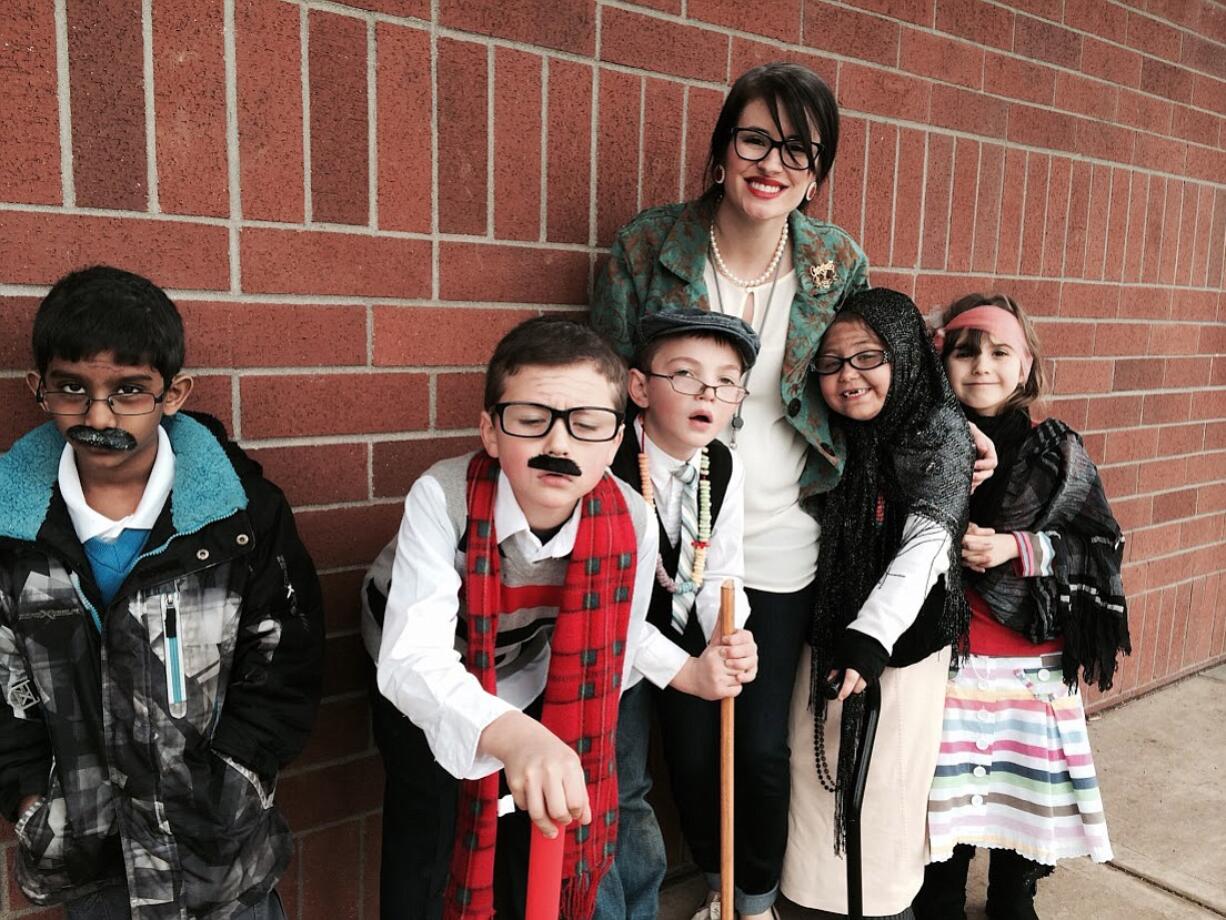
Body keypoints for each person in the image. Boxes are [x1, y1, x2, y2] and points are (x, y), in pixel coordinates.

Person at [592, 60, 868, 920]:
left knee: (753, 745)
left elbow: (872, 379)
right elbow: (602, 383)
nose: (773, 162)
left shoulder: (834, 264)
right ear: (721, 148)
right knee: (686, 741)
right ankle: (717, 884)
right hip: (668, 538)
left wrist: (948, 431)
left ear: (816, 174)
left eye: (799, 149)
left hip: (781, 540)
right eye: (755, 137)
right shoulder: (650, 247)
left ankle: (752, 900)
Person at [366, 317, 754, 920]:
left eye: (587, 425)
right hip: (429, 683)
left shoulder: (629, 518)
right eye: (530, 420)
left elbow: (620, 633)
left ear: (615, 438)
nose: (559, 445)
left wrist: (690, 674)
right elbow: (411, 657)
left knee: (533, 841)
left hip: (534, 674)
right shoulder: (441, 497)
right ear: (491, 432)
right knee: (432, 838)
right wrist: (511, 734)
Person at [0, 266, 324, 920]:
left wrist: (233, 780)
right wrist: (33, 802)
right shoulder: (12, 534)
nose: (98, 414)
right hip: (93, 862)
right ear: (39, 389)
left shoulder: (238, 519)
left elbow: (287, 662)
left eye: (128, 391)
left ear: (173, 394)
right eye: (72, 388)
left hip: (222, 856)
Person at [912, 294, 1130, 920]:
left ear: (1026, 365)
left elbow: (1102, 545)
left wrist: (1017, 547)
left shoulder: (1057, 453)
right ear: (942, 362)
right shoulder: (925, 441)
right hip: (949, 657)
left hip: (1031, 663)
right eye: (965, 351)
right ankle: (942, 897)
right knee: (946, 796)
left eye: (999, 351)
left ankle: (1013, 895)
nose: (982, 365)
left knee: (1022, 795)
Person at [781, 287, 976, 920]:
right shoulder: (830, 435)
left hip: (904, 637)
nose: (848, 376)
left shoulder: (939, 429)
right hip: (827, 623)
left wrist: (871, 636)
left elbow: (927, 540)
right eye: (831, 363)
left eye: (868, 356)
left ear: (906, 356)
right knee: (814, 769)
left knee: (884, 780)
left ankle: (880, 907)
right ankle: (809, 901)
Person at [606, 309, 760, 915]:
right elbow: (609, 604)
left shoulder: (720, 464)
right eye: (687, 376)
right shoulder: (608, 457)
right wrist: (684, 669)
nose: (709, 394)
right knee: (613, 786)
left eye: (726, 382)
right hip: (602, 645)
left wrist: (730, 635)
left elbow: (720, 569)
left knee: (641, 790)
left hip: (663, 636)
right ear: (640, 388)